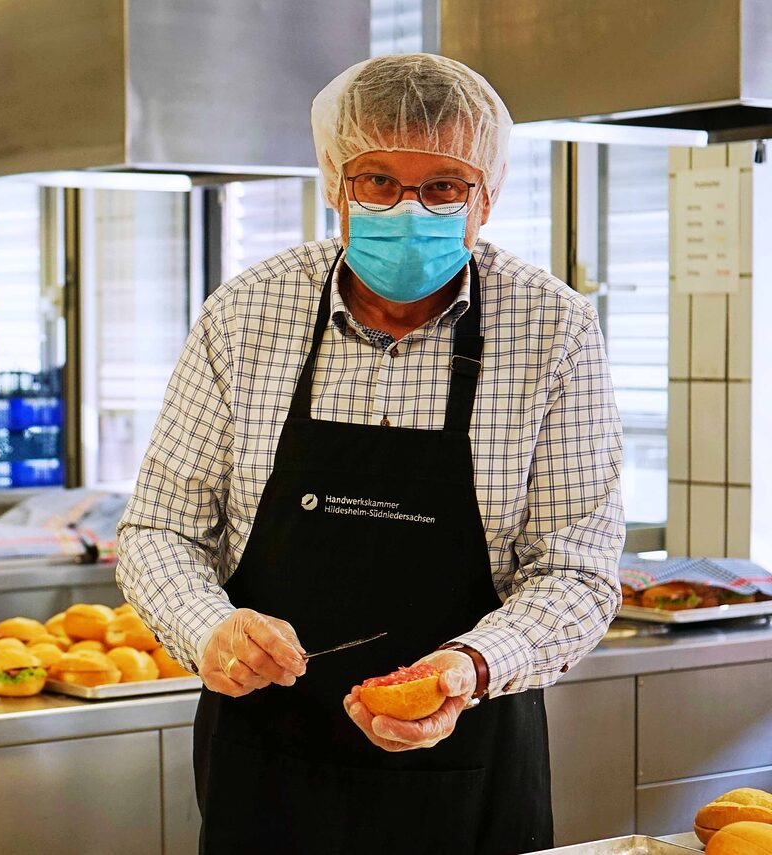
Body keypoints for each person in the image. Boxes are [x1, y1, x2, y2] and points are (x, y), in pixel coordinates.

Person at [116, 54, 624, 855]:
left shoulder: (552, 328)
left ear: (486, 196)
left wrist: (469, 668)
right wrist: (208, 627)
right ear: (334, 181)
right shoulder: (247, 312)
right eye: (378, 180)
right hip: (265, 765)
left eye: (443, 186)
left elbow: (579, 570)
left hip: (469, 764)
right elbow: (160, 531)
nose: (407, 207)